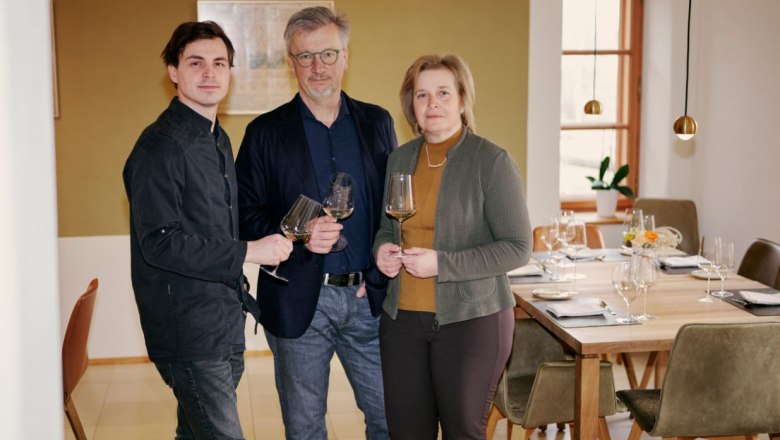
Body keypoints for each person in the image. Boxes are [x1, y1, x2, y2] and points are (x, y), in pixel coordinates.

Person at [123, 21, 293, 439]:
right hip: (188, 329)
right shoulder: (160, 146)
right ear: (174, 71)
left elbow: (216, 228)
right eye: (195, 63)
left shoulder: (219, 139)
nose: (209, 73)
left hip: (224, 319)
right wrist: (250, 251)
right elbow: (159, 243)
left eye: (219, 63)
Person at [235, 6, 396, 440]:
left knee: (391, 419)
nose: (317, 67)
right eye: (305, 56)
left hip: (368, 298)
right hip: (299, 299)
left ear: (345, 57)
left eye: (328, 54)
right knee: (305, 429)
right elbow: (243, 217)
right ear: (291, 63)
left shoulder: (377, 123)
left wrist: (380, 272)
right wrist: (301, 233)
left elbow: (393, 209)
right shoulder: (264, 133)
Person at [373, 54, 532, 439]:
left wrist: (443, 264)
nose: (433, 103)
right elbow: (386, 229)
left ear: (462, 99)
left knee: (463, 431)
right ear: (411, 105)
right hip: (402, 320)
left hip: (472, 320)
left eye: (443, 92)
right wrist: (382, 251)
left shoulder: (491, 161)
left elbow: (518, 247)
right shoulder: (400, 160)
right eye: (422, 95)